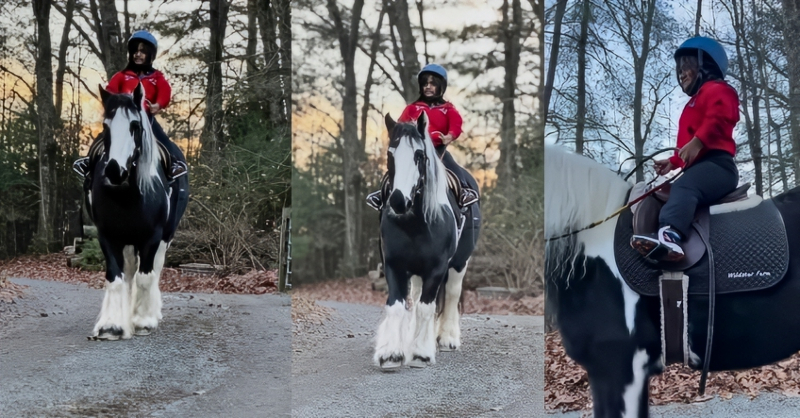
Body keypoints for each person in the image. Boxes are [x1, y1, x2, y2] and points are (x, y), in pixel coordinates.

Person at [630, 36, 740, 262]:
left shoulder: (717, 89)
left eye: (687, 66)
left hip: (718, 166)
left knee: (684, 187)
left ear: (706, 64)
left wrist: (698, 142)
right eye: (679, 69)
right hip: (699, 167)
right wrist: (673, 162)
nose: (681, 73)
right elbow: (687, 148)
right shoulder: (692, 103)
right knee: (672, 187)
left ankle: (671, 236)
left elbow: (721, 115)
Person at [73, 30, 187, 182]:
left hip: (145, 118)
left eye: (142, 51)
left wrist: (158, 105)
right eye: (135, 51)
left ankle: (172, 164)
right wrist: (111, 103)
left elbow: (165, 92)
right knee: (102, 138)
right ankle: (89, 162)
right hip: (122, 119)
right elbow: (111, 91)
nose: (138, 55)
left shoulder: (157, 77)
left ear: (150, 55)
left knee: (162, 139)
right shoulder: (121, 76)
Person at [366, 64, 479, 210]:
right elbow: (401, 126)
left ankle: (463, 191)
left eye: (433, 84)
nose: (428, 87)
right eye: (425, 84)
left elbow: (456, 125)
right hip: (414, 150)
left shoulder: (448, 109)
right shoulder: (412, 108)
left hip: (438, 150)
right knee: (395, 170)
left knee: (453, 168)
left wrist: (449, 136)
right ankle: (381, 195)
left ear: (441, 87)